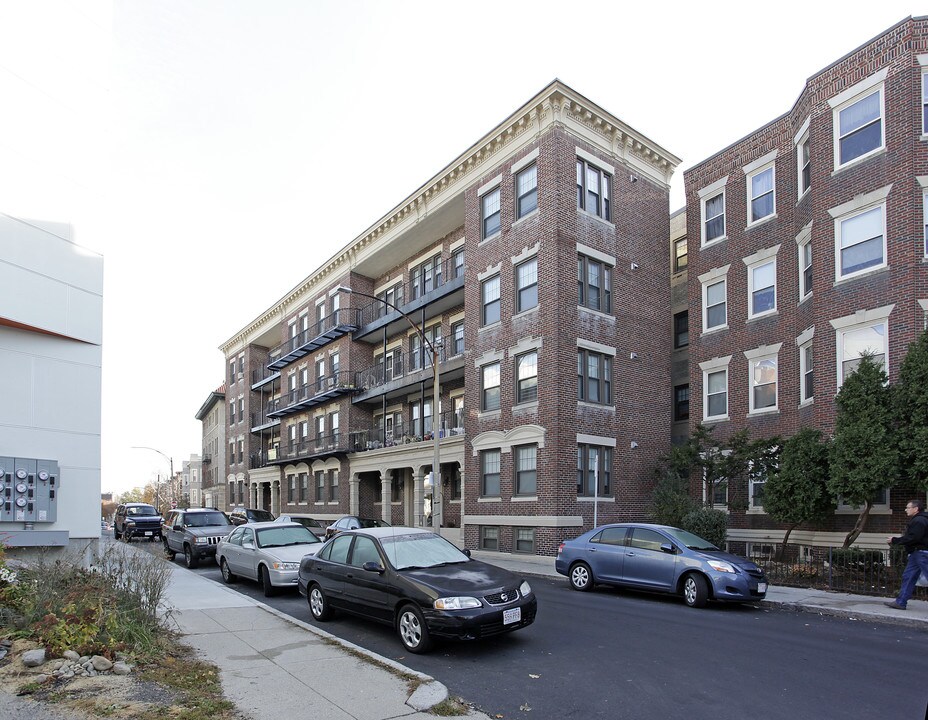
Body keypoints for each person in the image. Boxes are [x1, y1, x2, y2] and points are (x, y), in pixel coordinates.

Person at [885, 498, 928, 610]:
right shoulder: (922, 519)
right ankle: (901, 602)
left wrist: (895, 540)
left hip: (922, 553)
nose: (906, 510)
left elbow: (913, 537)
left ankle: (901, 601)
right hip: (916, 553)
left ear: (916, 509)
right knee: (908, 576)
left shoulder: (919, 521)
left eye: (908, 507)